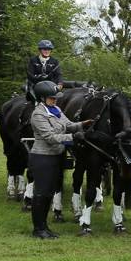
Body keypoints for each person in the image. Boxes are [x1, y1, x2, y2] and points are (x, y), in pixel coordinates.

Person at [28, 80, 92, 239]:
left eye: (56, 98)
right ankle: (38, 229)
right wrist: (73, 137)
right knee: (41, 193)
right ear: (42, 98)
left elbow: (69, 124)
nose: (55, 100)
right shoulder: (38, 114)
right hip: (43, 157)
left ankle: (45, 227)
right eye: (52, 98)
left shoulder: (55, 109)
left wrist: (84, 124)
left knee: (49, 193)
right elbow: (50, 137)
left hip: (57, 156)